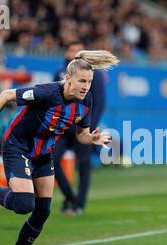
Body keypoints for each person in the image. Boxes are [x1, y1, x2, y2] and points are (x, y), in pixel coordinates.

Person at [0, 50, 118, 245]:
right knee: (25, 205)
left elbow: (81, 135)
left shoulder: (87, 101)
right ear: (68, 79)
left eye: (90, 82)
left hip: (44, 154)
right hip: (18, 147)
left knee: (43, 211)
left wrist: (91, 138)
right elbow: (5, 95)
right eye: (82, 81)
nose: (86, 86)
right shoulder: (47, 92)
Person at [52, 41, 108, 216]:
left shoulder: (93, 75)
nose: (74, 52)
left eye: (78, 50)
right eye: (71, 49)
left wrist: (89, 128)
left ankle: (79, 205)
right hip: (63, 127)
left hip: (83, 128)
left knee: (83, 166)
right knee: (52, 160)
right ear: (66, 53)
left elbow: (98, 103)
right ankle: (70, 197)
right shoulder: (60, 73)